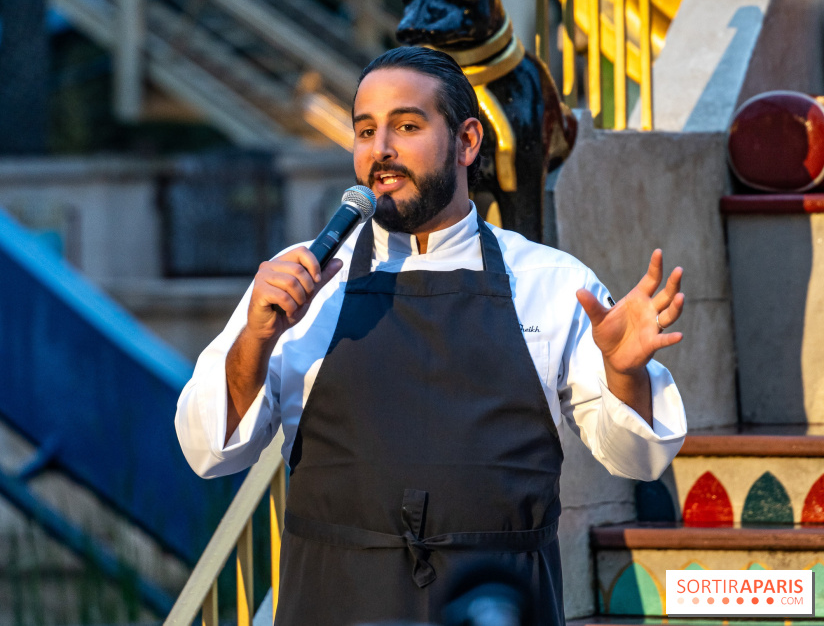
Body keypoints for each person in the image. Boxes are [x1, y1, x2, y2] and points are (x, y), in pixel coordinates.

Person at [175, 46, 687, 626]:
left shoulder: (552, 281)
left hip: (501, 604)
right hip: (332, 601)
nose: (380, 150)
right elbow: (208, 451)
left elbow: (639, 458)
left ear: (467, 141)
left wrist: (623, 372)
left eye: (406, 126)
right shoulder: (299, 283)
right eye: (365, 130)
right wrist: (255, 338)